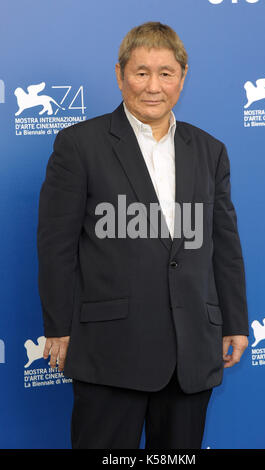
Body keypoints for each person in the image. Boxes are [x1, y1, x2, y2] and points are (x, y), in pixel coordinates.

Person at [37, 21, 249, 449]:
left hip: (191, 351)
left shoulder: (210, 150)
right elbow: (55, 244)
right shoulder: (79, 145)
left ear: (182, 77)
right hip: (110, 350)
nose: (154, 86)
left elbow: (224, 245)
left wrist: (234, 320)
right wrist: (58, 327)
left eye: (166, 73)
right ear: (119, 75)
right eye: (141, 72)